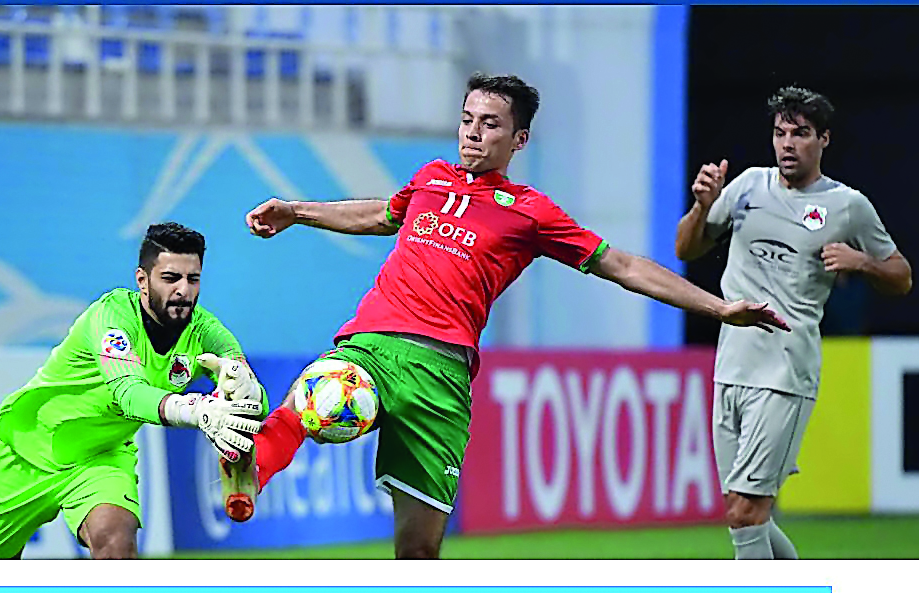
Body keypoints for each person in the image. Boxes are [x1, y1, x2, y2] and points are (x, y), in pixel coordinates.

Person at [228, 72, 789, 559]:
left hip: (442, 378)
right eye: (467, 119)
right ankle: (251, 466)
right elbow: (380, 215)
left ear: (519, 139)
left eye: (490, 123)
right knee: (321, 394)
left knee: (418, 551)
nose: (473, 132)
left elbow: (620, 265)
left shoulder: (531, 213)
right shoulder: (430, 177)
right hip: (374, 343)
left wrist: (719, 307)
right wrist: (297, 211)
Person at [675, 86, 912, 559]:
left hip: (785, 372)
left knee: (747, 512)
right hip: (731, 367)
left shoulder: (847, 205)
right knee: (743, 515)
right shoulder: (747, 186)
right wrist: (702, 206)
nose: (787, 143)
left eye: (800, 133)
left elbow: (902, 276)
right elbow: (685, 249)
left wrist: (862, 262)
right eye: (780, 133)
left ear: (824, 139)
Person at [0, 222, 265, 559]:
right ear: (142, 280)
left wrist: (248, 391)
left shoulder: (206, 331)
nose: (183, 291)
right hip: (25, 451)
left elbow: (254, 399)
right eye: (171, 278)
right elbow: (129, 393)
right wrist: (197, 410)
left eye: (193, 279)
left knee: (116, 543)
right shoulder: (112, 317)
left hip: (101, 458)